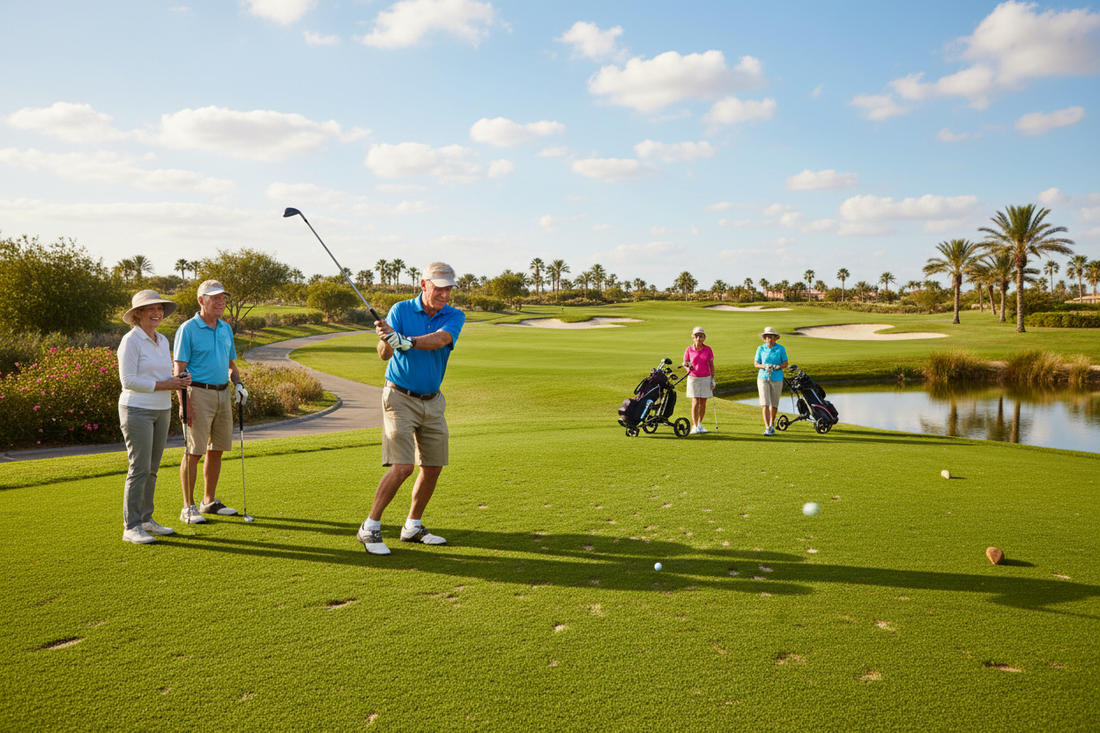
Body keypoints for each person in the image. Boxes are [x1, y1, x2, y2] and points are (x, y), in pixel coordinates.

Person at [357, 262, 466, 556]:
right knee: (403, 466)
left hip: (433, 400)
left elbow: (442, 339)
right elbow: (384, 355)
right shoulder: (401, 310)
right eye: (439, 287)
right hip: (399, 397)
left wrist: (407, 340)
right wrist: (388, 339)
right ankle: (369, 527)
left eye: (448, 288)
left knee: (433, 466)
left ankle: (412, 526)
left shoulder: (454, 315)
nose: (444, 293)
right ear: (423, 284)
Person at [118, 290, 193, 543]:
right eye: (150, 309)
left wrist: (180, 380)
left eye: (160, 308)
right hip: (137, 409)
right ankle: (131, 527)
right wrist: (167, 384)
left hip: (162, 409)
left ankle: (147, 520)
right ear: (137, 314)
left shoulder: (162, 340)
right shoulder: (130, 340)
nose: (157, 313)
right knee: (139, 468)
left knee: (152, 469)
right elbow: (128, 381)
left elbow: (165, 375)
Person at [173, 280, 248, 524]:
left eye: (223, 298)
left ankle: (208, 501)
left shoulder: (225, 328)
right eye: (214, 298)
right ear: (201, 301)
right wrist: (184, 404)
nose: (221, 302)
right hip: (198, 393)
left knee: (216, 450)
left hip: (222, 393)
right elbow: (179, 371)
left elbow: (230, 364)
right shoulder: (188, 329)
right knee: (193, 451)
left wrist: (238, 384)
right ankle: (188, 506)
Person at [754, 326, 788, 436]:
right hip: (763, 377)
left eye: (771, 337)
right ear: (764, 338)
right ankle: (767, 427)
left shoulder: (780, 349)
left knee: (774, 404)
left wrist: (777, 367)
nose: (769, 339)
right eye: (767, 337)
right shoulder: (761, 348)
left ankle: (772, 424)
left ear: (775, 338)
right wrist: (764, 366)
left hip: (777, 378)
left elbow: (786, 363)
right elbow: (756, 363)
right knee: (765, 403)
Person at [682, 326, 715, 435]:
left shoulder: (708, 349)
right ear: (693, 337)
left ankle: (700, 424)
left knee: (703, 402)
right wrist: (687, 367)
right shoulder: (689, 349)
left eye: (701, 336)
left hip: (705, 378)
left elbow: (711, 365)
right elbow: (685, 362)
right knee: (695, 401)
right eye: (696, 336)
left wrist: (713, 379)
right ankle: (694, 426)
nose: (699, 338)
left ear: (704, 338)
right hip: (693, 378)